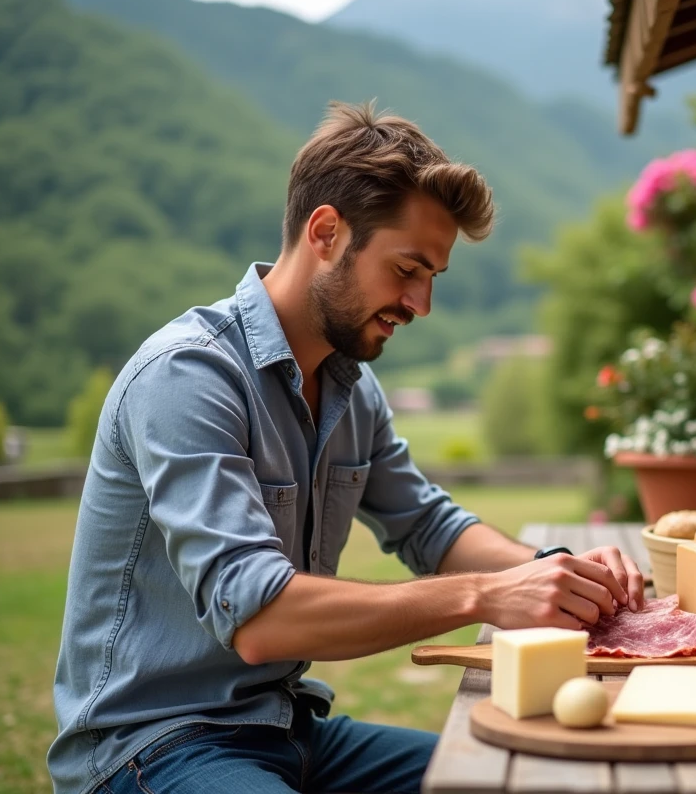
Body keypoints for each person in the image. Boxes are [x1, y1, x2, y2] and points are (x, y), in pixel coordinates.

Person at [48, 101, 645, 794]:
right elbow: (260, 619)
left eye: (432, 279)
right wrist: (486, 596)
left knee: (531, 780)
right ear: (326, 231)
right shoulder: (186, 377)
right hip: (150, 749)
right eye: (407, 269)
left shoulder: (350, 388)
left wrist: (558, 572)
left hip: (287, 730)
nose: (421, 304)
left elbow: (427, 525)